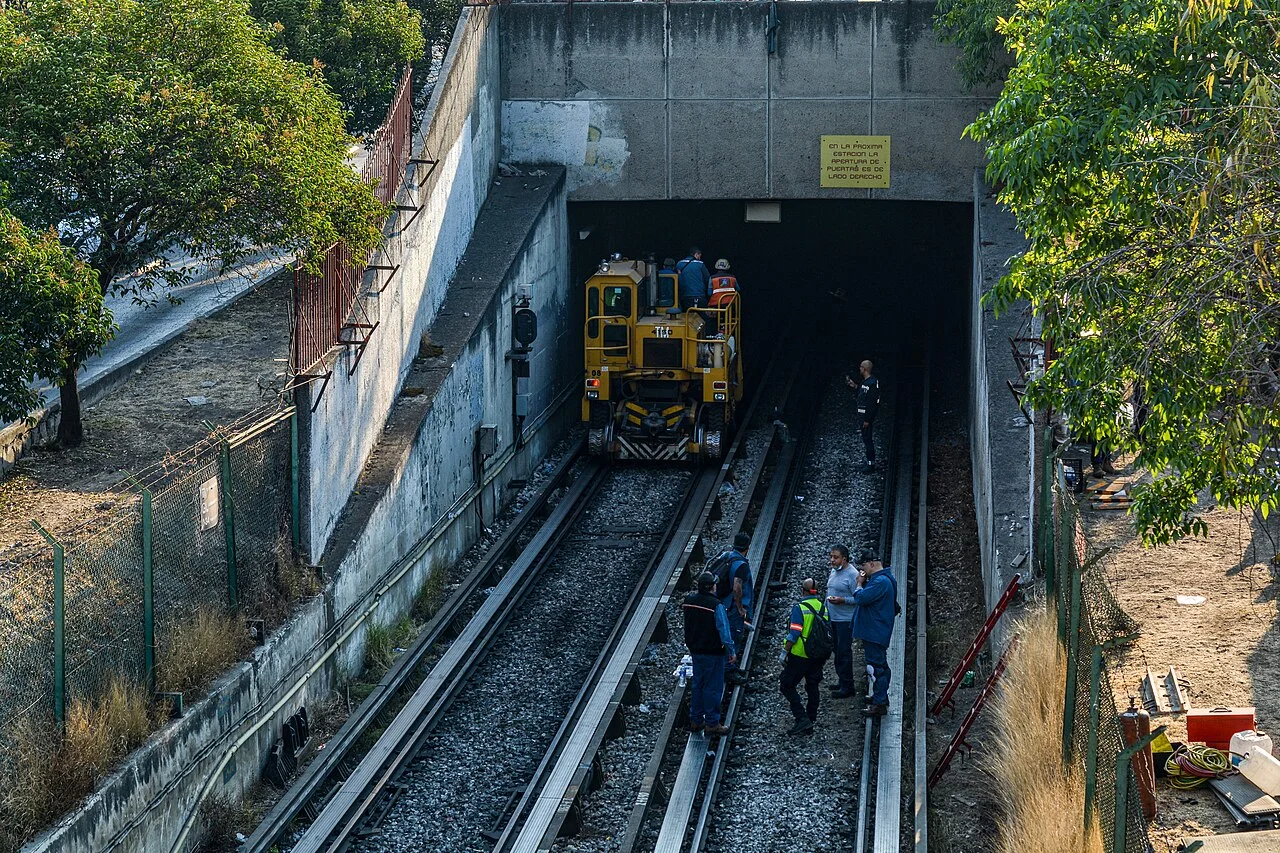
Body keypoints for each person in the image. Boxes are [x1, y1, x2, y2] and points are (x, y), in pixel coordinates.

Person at [683, 571, 736, 736]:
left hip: (696, 650)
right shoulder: (716, 605)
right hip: (713, 652)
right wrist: (731, 650)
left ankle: (696, 720)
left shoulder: (689, 602)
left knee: (698, 684)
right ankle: (712, 723)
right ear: (711, 587)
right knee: (712, 687)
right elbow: (724, 630)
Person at [851, 548, 899, 718]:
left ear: (871, 564)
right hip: (877, 630)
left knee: (875, 667)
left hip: (875, 631)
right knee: (880, 666)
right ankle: (880, 697)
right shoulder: (885, 579)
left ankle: (879, 702)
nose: (862, 570)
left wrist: (859, 584)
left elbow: (860, 598)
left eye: (864, 565)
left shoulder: (879, 582)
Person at [780, 577, 829, 735]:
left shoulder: (799, 608)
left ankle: (802, 719)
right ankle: (811, 717)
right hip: (818, 655)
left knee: (787, 685)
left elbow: (794, 633)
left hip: (800, 655)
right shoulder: (823, 608)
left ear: (803, 590)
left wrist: (785, 651)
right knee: (812, 685)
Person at [711, 532, 753, 685]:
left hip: (723, 603)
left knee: (726, 634)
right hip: (733, 608)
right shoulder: (741, 564)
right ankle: (728, 669)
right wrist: (740, 608)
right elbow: (737, 587)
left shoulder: (726, 556)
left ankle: (730, 666)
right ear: (747, 547)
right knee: (734, 636)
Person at [824, 545, 859, 698]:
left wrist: (842, 600)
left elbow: (858, 598)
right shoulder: (833, 571)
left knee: (844, 652)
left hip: (845, 620)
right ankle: (842, 680)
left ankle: (848, 686)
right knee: (836, 651)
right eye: (831, 556)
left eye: (836, 557)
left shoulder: (853, 575)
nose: (832, 560)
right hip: (833, 619)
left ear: (844, 559)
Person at [845, 360, 881, 473]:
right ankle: (869, 461)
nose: (859, 369)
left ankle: (871, 464)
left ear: (864, 369)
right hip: (862, 416)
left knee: (868, 439)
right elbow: (862, 395)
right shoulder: (866, 383)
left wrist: (867, 419)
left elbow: (872, 403)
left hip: (865, 417)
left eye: (860, 367)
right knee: (866, 439)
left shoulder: (872, 383)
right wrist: (855, 386)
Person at [676, 247, 711, 312]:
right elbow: (708, 278)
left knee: (687, 317)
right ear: (696, 254)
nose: (700, 258)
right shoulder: (700, 264)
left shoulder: (679, 264)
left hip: (685, 296)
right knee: (703, 317)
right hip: (700, 295)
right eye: (699, 256)